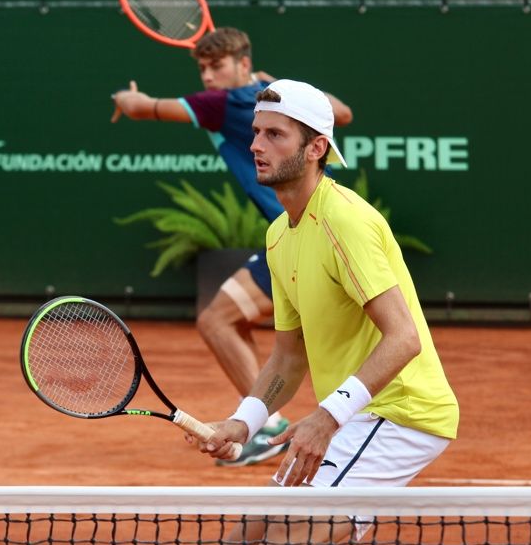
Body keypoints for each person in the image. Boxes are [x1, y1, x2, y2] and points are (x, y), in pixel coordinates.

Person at [192, 80, 459, 545]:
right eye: (256, 132)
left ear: (316, 148)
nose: (255, 145)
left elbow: (403, 339)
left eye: (273, 134)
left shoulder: (345, 222)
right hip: (359, 412)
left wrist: (326, 418)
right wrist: (245, 419)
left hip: (401, 411)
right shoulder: (281, 234)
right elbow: (289, 354)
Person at [110, 28, 353, 466]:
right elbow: (344, 113)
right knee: (236, 323)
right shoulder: (270, 97)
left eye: (217, 66)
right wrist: (276, 86)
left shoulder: (219, 104)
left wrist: (126, 101)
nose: (208, 76)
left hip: (305, 232)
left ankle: (269, 427)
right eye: (202, 68)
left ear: (243, 64)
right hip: (305, 228)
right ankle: (272, 420)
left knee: (218, 320)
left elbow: (145, 108)